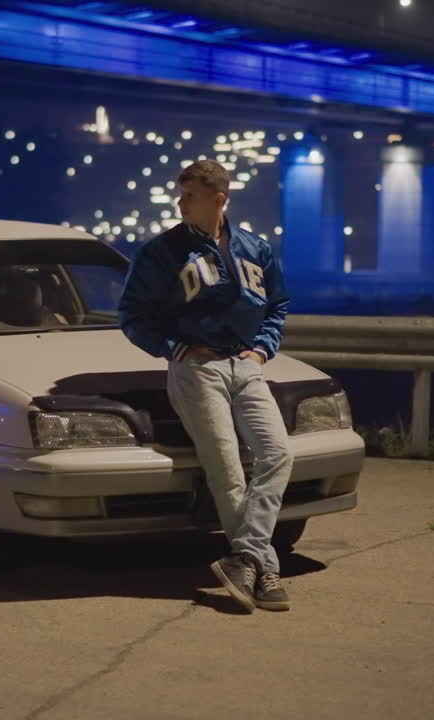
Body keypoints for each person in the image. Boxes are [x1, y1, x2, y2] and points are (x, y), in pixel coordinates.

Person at [118, 159, 294, 612]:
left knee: (277, 453)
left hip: (246, 365)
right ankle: (265, 567)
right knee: (227, 469)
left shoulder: (255, 248)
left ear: (219, 199)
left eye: (189, 196)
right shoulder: (161, 253)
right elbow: (133, 316)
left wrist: (261, 349)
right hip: (196, 370)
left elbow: (277, 304)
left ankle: (245, 559)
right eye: (180, 194)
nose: (181, 202)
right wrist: (176, 348)